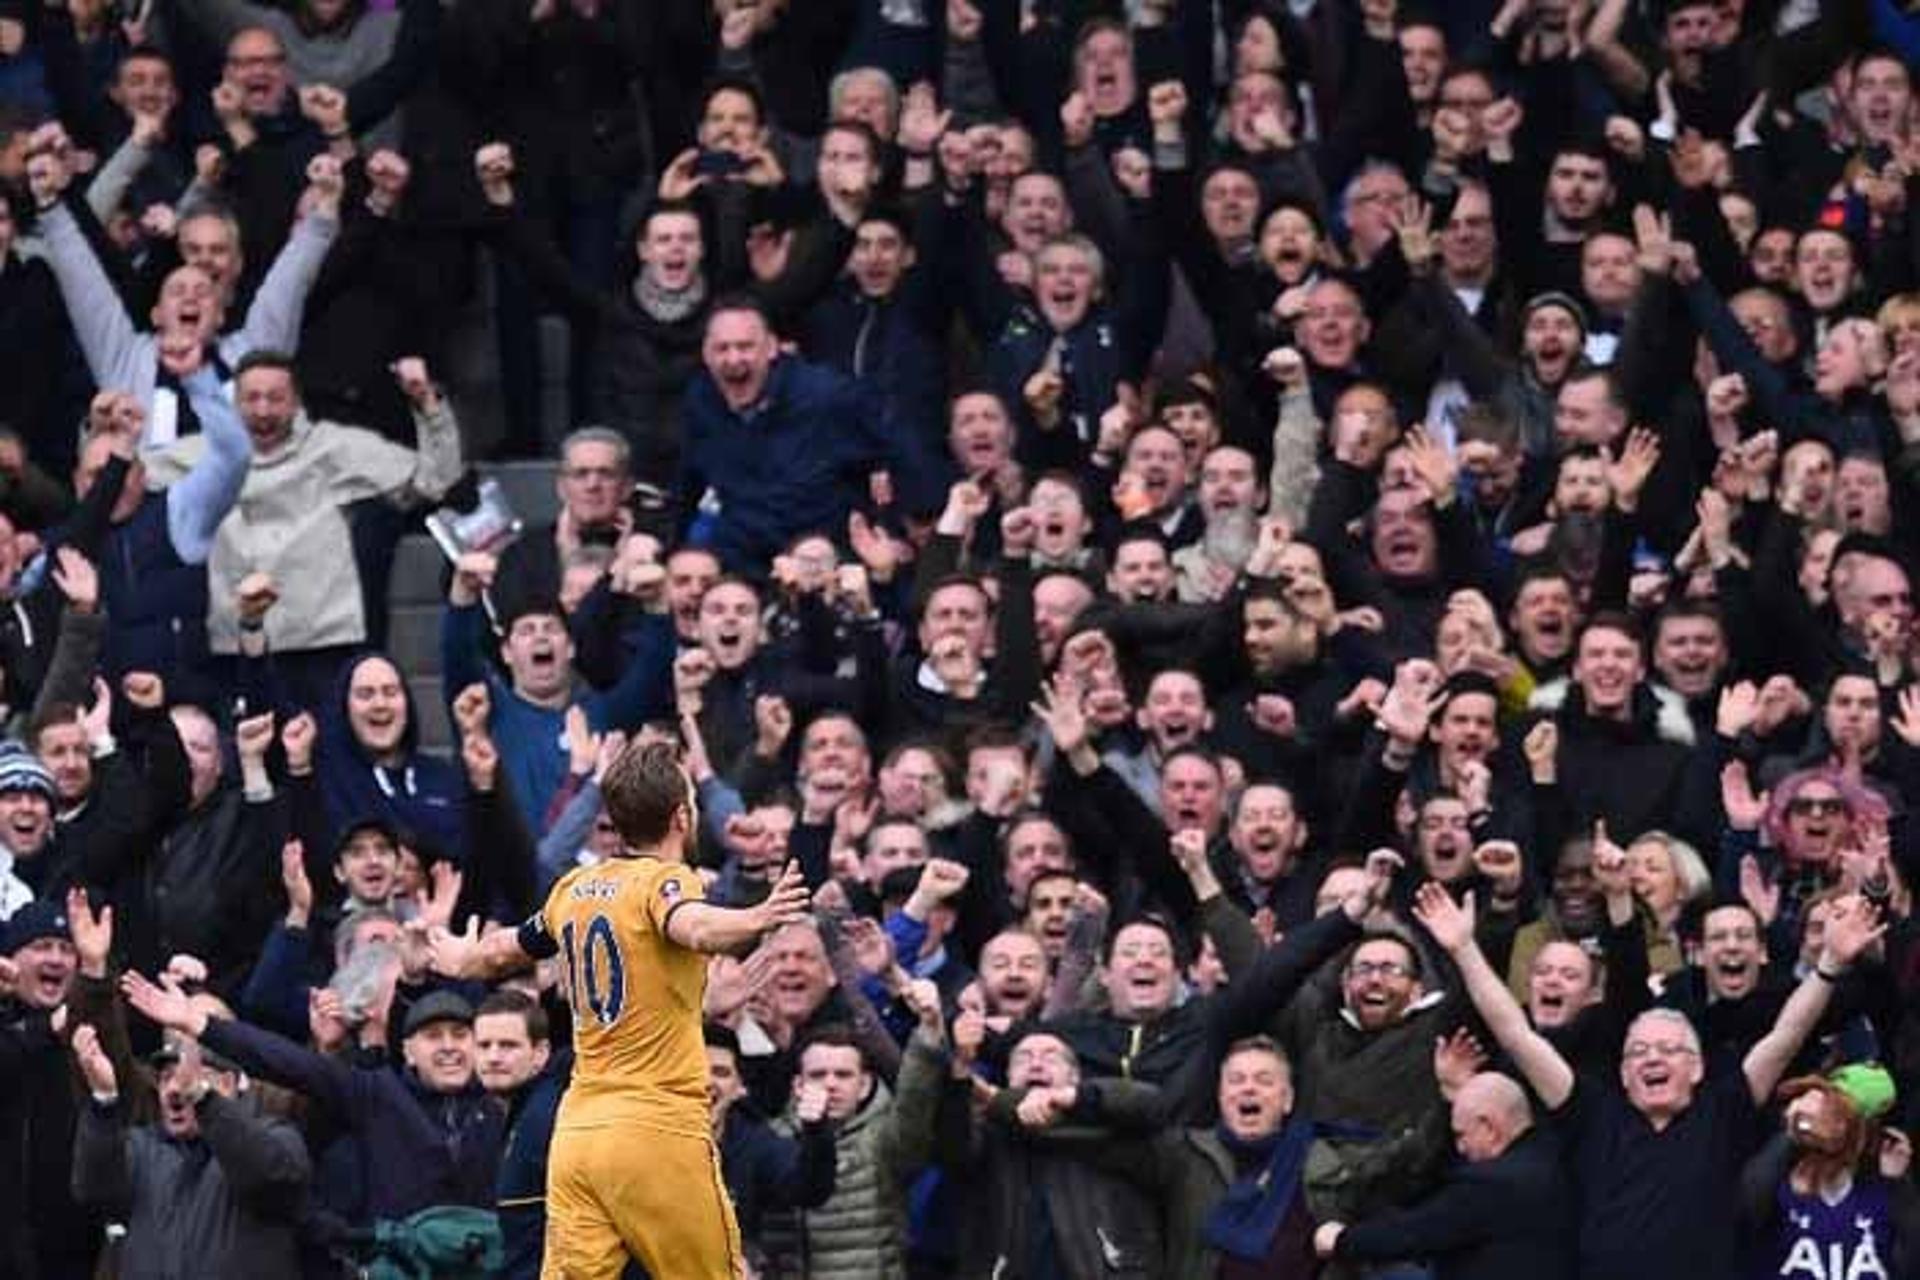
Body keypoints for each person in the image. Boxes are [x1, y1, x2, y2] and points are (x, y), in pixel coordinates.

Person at [425, 739, 814, 1278]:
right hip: (654, 1131)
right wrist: (758, 916)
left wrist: (460, 956)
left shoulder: (575, 889)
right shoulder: (666, 881)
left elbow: (502, 950)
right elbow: (694, 925)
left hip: (580, 1134)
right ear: (682, 814)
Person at [1415, 879, 1887, 1280]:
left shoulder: (1723, 1108)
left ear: (1697, 1067)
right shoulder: (1595, 1112)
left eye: (1668, 1050)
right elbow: (1515, 1034)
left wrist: (1829, 964)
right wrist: (1464, 948)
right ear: (1622, 1072)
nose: (1651, 1059)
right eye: (1638, 1051)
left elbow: (1787, 1034)